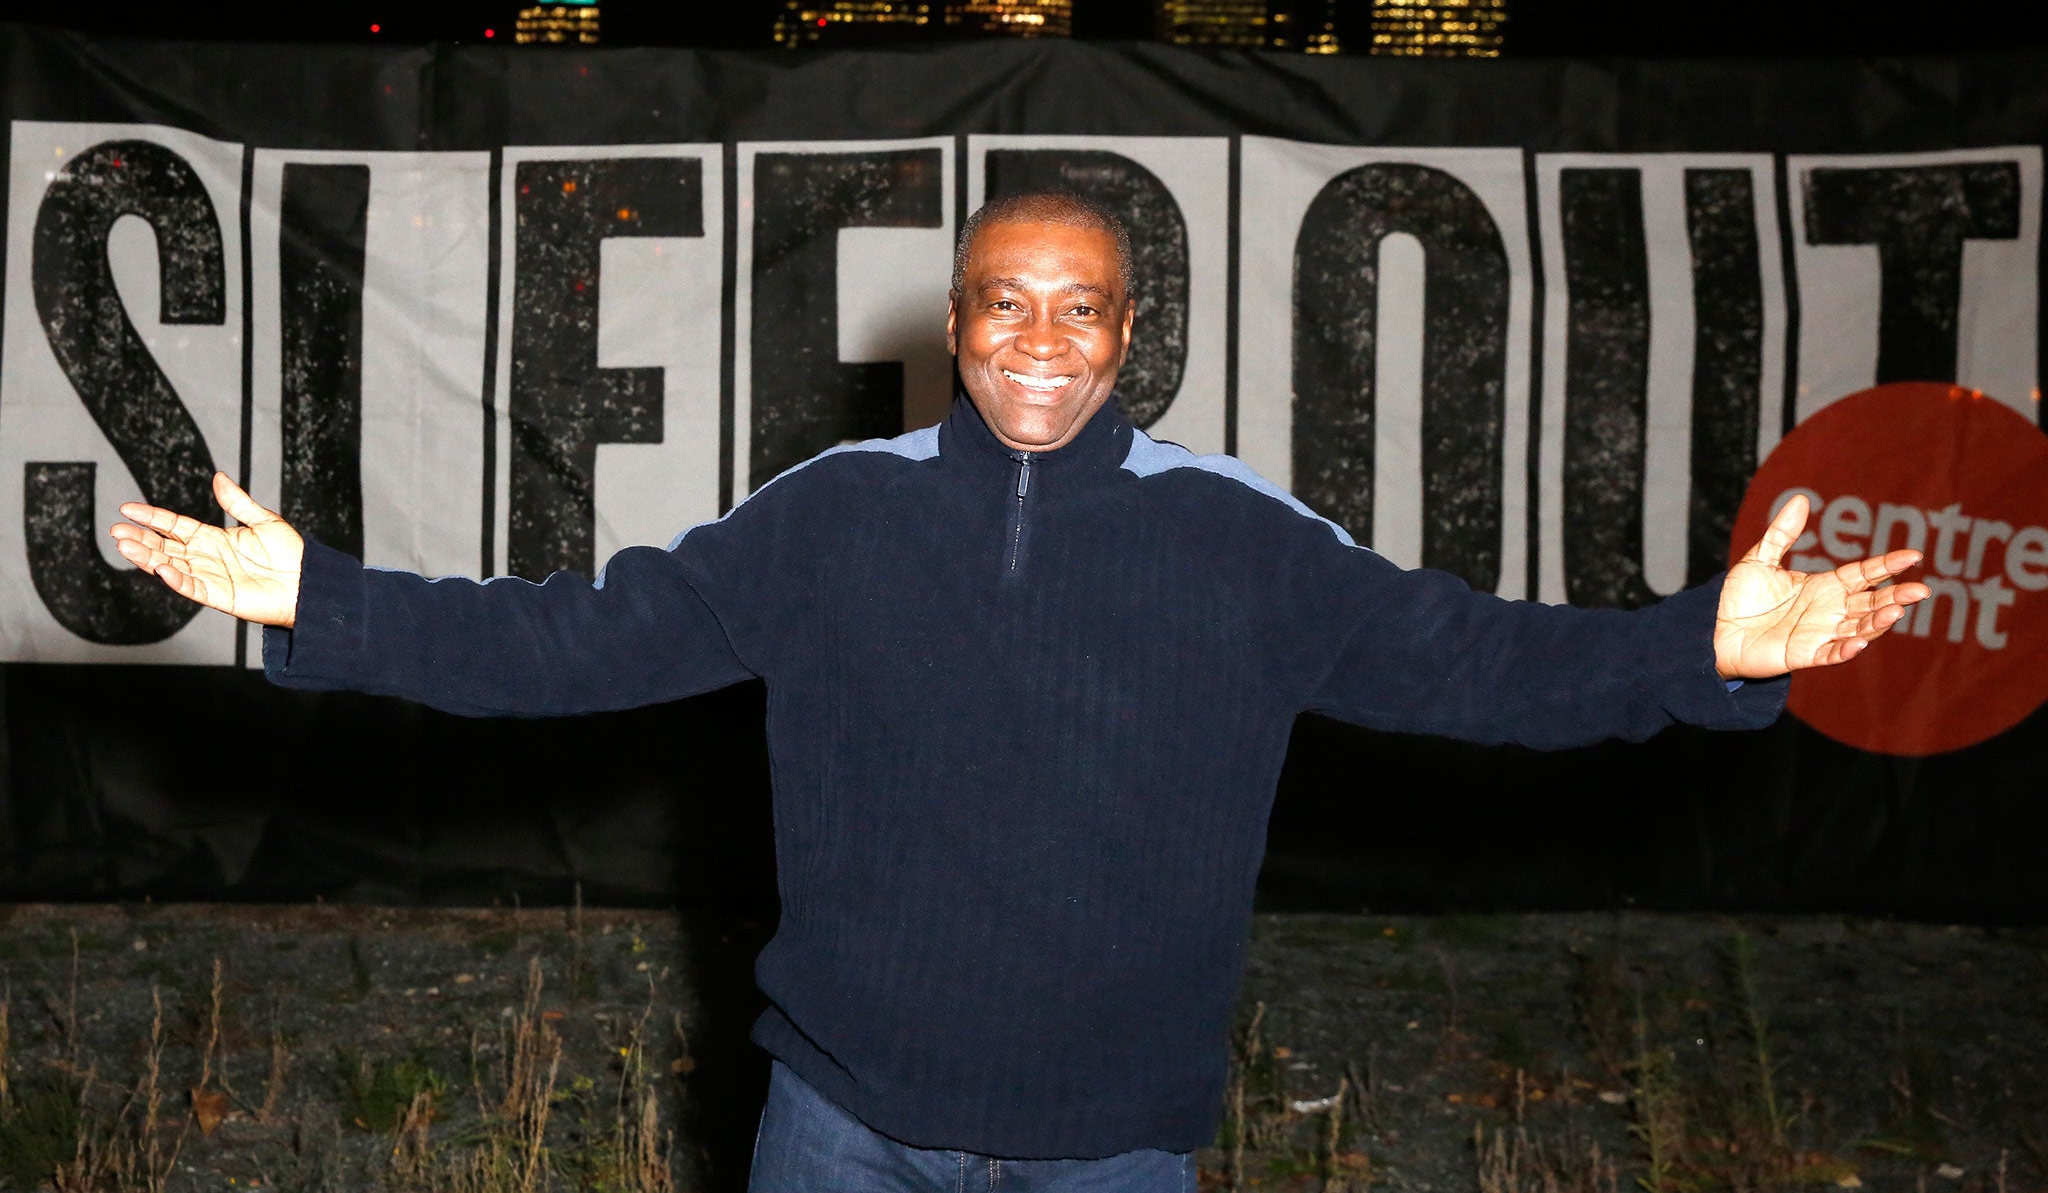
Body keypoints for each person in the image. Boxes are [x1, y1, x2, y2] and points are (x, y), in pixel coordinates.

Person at [111, 190, 1928, 1192]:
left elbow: (1480, 665)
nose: (1038, 340)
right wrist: (322, 600)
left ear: (1130, 335)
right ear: (955, 324)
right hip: (842, 1122)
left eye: (1079, 309)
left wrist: (1703, 646)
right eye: (1004, 304)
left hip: (1111, 1142)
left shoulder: (1243, 539)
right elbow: (577, 642)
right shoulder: (834, 516)